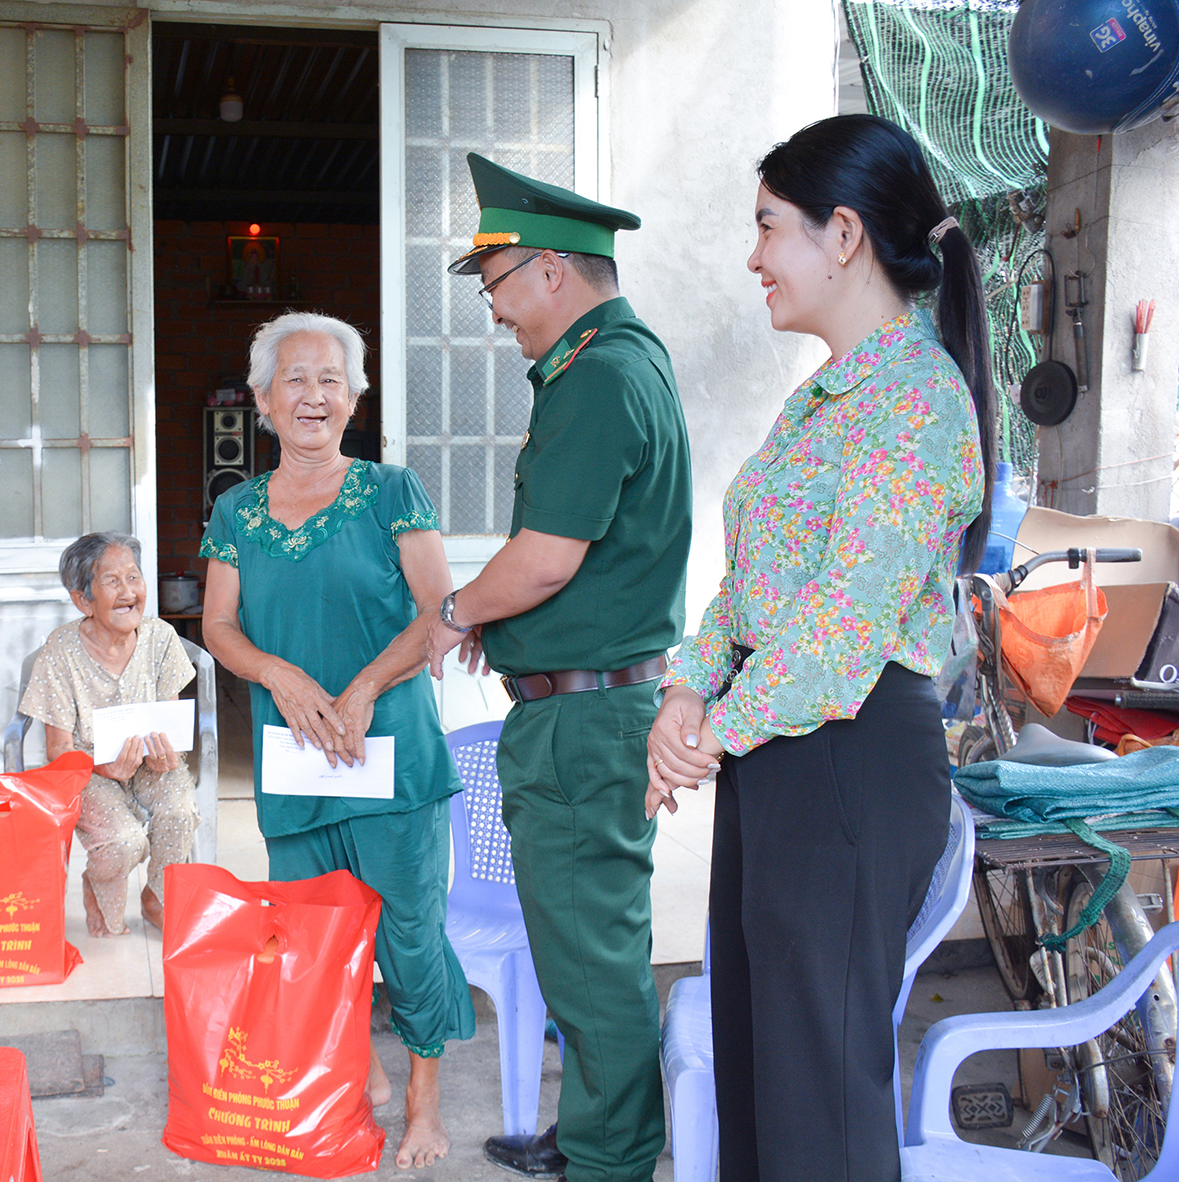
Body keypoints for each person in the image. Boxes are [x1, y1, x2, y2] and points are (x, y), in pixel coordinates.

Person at [647, 113, 992, 1182]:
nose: (752, 256)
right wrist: (684, 694)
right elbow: (750, 591)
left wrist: (707, 732)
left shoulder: (914, 401)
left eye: (767, 227)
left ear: (841, 234)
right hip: (781, 747)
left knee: (819, 1101)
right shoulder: (819, 403)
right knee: (763, 1070)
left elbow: (843, 628)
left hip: (845, 754)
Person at [425, 154, 693, 1182]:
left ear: (549, 273)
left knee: (593, 971)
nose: (493, 312)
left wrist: (459, 613)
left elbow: (543, 559)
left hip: (582, 726)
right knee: (590, 959)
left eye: (494, 285)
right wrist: (512, 629)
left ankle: (608, 1162)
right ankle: (597, 1140)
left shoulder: (598, 376)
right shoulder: (626, 363)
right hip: (588, 705)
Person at [200, 311, 475, 1170]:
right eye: (295, 379)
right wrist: (280, 676)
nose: (313, 394)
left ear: (354, 398)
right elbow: (218, 627)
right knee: (315, 936)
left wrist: (361, 688)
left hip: (390, 755)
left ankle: (422, 1104)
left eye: (331, 380)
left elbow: (440, 611)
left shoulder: (393, 491)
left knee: (411, 936)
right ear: (262, 402)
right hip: (296, 759)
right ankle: (351, 1076)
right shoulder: (235, 509)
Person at [19, 532, 198, 936]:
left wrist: (166, 753)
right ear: (83, 599)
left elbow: (167, 718)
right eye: (112, 581)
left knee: (179, 811)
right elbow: (59, 749)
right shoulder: (61, 651)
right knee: (122, 842)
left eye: (133, 577)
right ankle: (99, 884)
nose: (128, 591)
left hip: (148, 762)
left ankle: (158, 896)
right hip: (86, 767)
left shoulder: (159, 638)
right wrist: (104, 767)